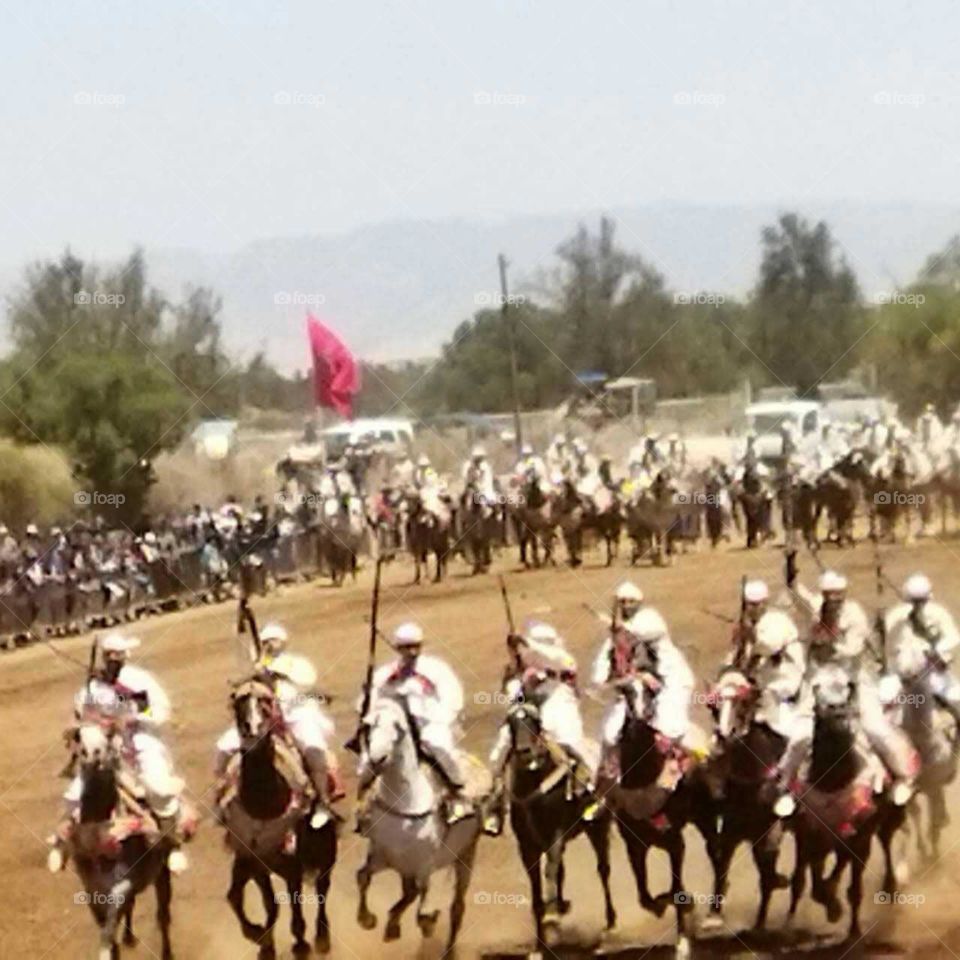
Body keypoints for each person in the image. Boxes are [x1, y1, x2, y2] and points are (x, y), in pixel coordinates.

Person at [49, 634, 192, 874]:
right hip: (106, 748)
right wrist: (80, 727)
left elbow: (157, 711)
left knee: (157, 788)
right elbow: (80, 715)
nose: (113, 659)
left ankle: (172, 844)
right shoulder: (93, 687)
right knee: (74, 793)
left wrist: (130, 717)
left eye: (118, 654)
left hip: (140, 741)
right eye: (109, 655)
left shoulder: (136, 681)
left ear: (126, 655)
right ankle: (62, 842)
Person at [789, 569, 918, 802]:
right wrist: (791, 574)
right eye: (829, 595)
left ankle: (902, 777)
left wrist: (830, 646)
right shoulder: (815, 609)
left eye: (838, 595)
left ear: (844, 594)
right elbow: (798, 597)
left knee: (875, 728)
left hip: (852, 682)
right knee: (799, 736)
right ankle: (785, 785)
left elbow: (853, 649)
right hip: (817, 684)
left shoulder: (855, 614)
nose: (833, 600)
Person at [215, 623, 343, 829]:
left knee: (313, 748)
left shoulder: (297, 664)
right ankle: (222, 796)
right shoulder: (256, 666)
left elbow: (307, 683)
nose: (269, 645)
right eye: (265, 641)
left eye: (274, 640)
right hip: (263, 720)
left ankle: (322, 800)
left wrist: (275, 673)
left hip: (295, 715)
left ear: (283, 642)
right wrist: (253, 676)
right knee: (224, 746)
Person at [489, 621, 598, 818]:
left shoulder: (564, 659)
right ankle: (496, 798)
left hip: (560, 701)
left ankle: (587, 793)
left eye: (542, 643)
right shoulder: (523, 665)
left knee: (572, 742)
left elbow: (552, 657)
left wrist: (526, 642)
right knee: (503, 743)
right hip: (530, 706)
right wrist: (513, 655)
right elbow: (509, 690)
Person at [367, 622, 470, 822]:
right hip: (398, 728)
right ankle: (365, 804)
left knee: (438, 746)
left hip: (430, 724)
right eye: (406, 647)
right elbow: (373, 702)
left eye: (416, 646)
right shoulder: (384, 675)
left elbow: (453, 698)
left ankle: (457, 791)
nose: (412, 652)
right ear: (397, 648)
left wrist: (443, 720)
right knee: (372, 756)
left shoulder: (436, 669)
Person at [885, 574, 960, 723]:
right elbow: (891, 648)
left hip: (934, 674)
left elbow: (953, 637)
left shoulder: (938, 613)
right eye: (915, 601)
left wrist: (937, 651)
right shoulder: (895, 617)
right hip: (903, 677)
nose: (918, 605)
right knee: (883, 705)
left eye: (921, 601)